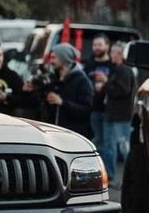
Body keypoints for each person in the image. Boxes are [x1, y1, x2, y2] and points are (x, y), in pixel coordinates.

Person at [23, 42, 93, 137]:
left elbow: (86, 111)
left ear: (64, 58)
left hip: (74, 135)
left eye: (54, 57)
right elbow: (37, 102)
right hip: (53, 133)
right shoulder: (52, 79)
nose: (51, 61)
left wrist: (62, 103)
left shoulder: (82, 81)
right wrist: (30, 91)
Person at [97, 42, 135, 185]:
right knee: (110, 147)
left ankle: (132, 178)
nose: (111, 54)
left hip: (120, 117)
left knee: (122, 148)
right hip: (112, 115)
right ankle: (111, 177)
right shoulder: (117, 70)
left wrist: (106, 83)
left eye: (113, 52)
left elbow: (122, 90)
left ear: (120, 54)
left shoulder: (124, 70)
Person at [84, 34, 112, 153]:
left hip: (110, 110)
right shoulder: (89, 64)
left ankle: (109, 171)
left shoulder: (113, 65)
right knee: (97, 142)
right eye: (94, 45)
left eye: (100, 44)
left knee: (109, 143)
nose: (96, 47)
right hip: (94, 109)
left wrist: (106, 81)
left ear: (107, 46)